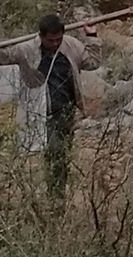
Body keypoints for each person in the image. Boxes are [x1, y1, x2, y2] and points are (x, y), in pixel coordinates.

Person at [17, 13, 84, 197]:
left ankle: (57, 196)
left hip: (65, 110)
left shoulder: (71, 46)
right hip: (40, 110)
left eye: (58, 39)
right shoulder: (28, 49)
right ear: (41, 36)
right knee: (51, 151)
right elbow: (0, 52)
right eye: (51, 40)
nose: (55, 44)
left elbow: (92, 61)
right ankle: (50, 195)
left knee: (61, 155)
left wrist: (93, 36)